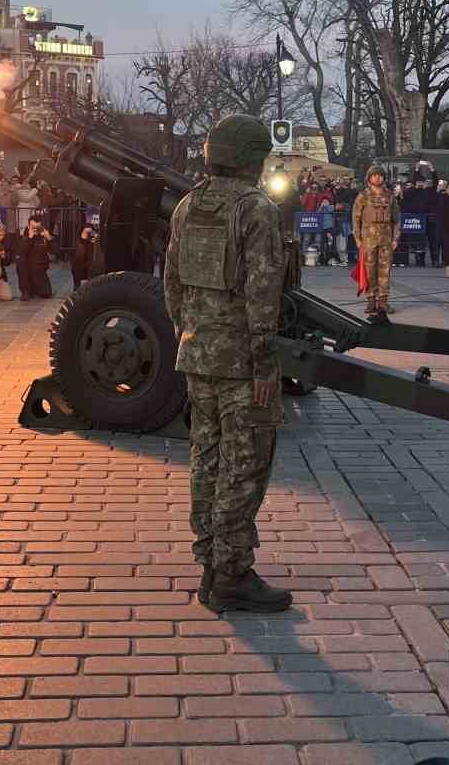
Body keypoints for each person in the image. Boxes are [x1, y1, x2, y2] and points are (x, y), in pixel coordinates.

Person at [163, 113, 291, 615]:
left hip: (198, 356)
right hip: (241, 363)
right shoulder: (255, 209)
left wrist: (191, 331)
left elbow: (171, 281)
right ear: (252, 161)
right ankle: (231, 574)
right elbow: (263, 293)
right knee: (245, 465)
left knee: (206, 461)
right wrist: (264, 363)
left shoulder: (189, 205)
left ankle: (211, 567)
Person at [351, 164, 399, 322]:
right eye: (374, 175)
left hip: (385, 239)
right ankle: (371, 300)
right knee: (369, 271)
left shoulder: (390, 196)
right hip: (368, 240)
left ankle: (383, 301)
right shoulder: (363, 196)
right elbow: (356, 219)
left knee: (385, 271)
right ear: (369, 178)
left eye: (380, 175)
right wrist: (358, 240)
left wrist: (395, 239)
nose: (377, 177)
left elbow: (396, 220)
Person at [15, 215, 54, 299]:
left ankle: (35, 289)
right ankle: (26, 291)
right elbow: (20, 252)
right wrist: (29, 238)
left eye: (38, 227)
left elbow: (56, 251)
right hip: (27, 271)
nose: (35, 230)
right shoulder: (24, 237)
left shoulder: (44, 235)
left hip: (39, 270)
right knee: (20, 260)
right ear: (28, 226)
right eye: (33, 227)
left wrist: (49, 238)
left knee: (46, 294)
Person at [72, 224, 97, 290]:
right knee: (77, 276)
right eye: (89, 228)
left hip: (88, 263)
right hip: (78, 263)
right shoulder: (77, 240)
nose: (90, 230)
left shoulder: (92, 240)